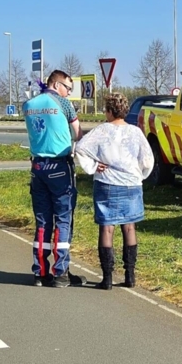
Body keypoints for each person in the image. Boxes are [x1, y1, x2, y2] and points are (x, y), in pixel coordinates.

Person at [74, 93, 154, 290]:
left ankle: (107, 278)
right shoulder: (135, 132)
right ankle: (130, 275)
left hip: (107, 183)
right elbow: (147, 159)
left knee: (107, 228)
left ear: (109, 111)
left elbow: (81, 148)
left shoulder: (101, 131)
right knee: (129, 227)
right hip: (131, 184)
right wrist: (139, 175)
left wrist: (93, 165)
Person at [23, 70, 83, 287]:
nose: (69, 93)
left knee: (42, 221)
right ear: (57, 85)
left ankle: (39, 272)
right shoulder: (64, 104)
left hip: (37, 166)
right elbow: (78, 134)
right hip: (59, 166)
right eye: (68, 88)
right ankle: (61, 272)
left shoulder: (28, 105)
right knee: (63, 219)